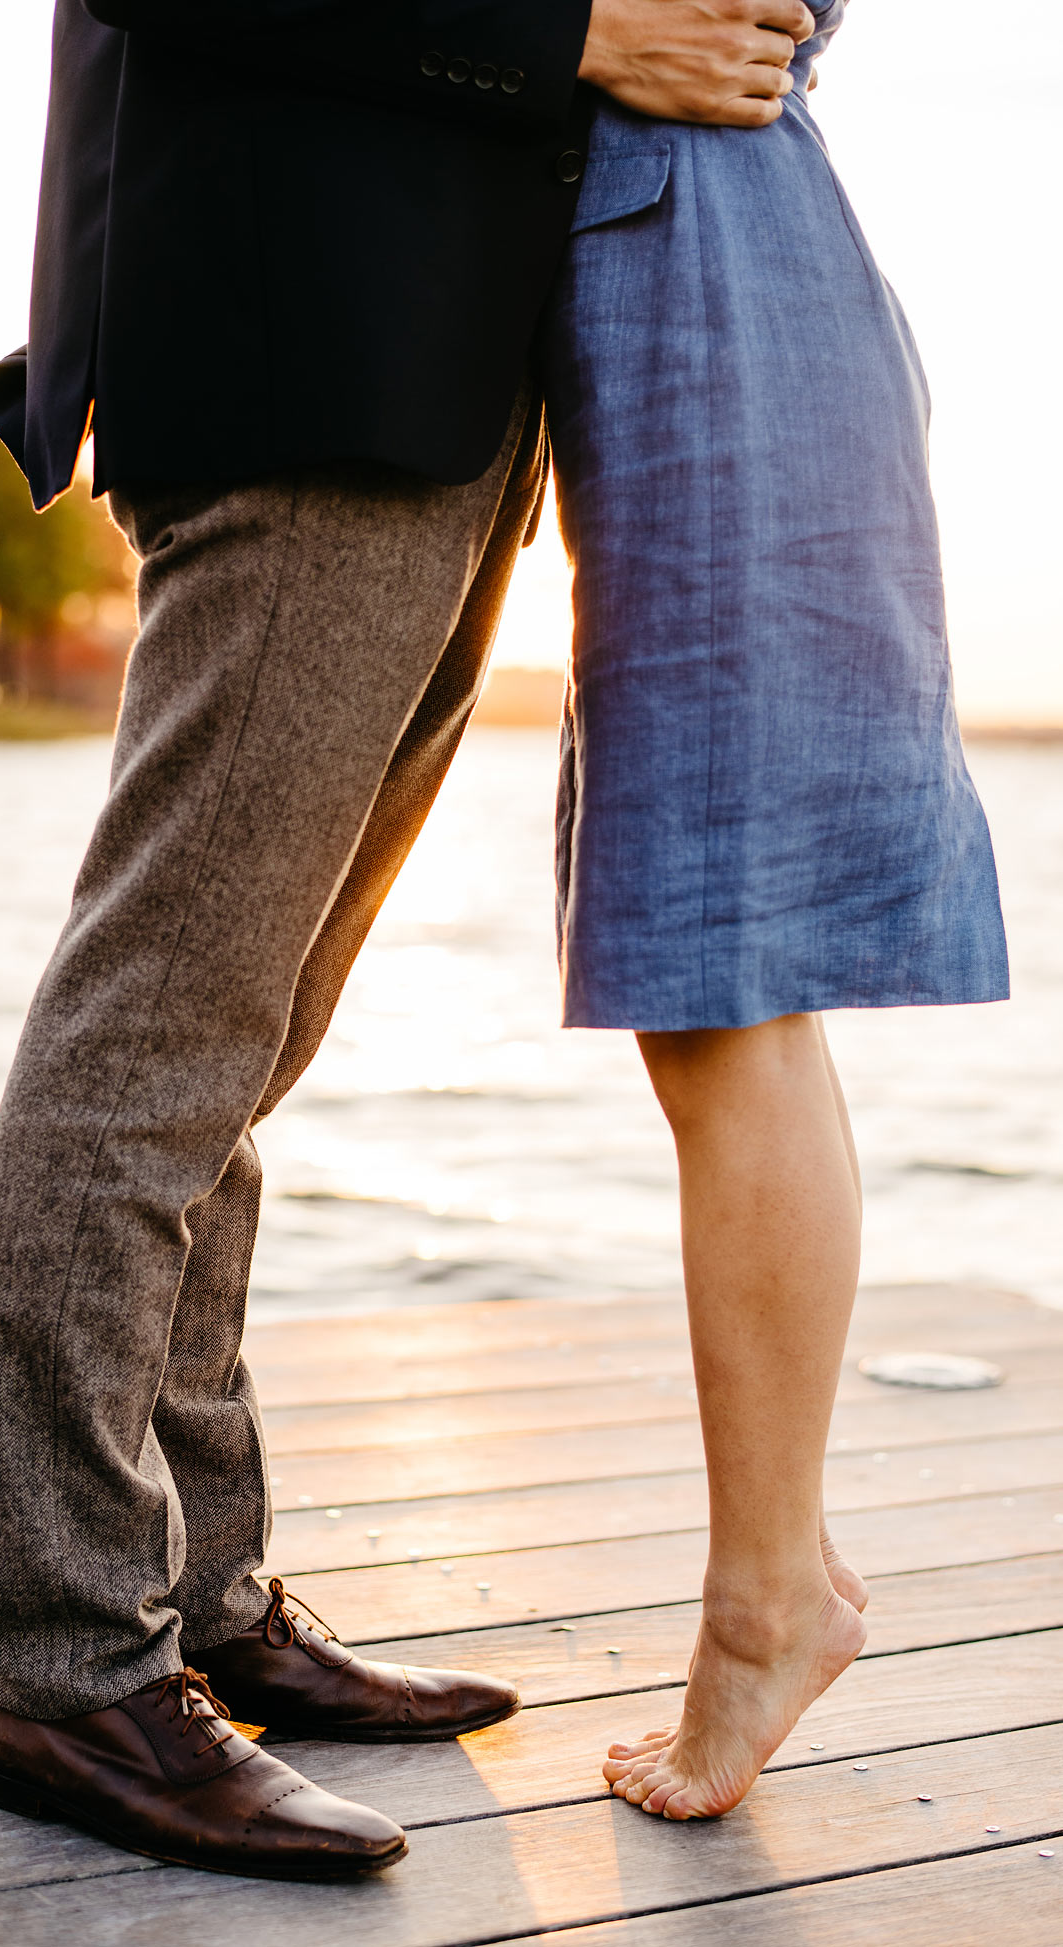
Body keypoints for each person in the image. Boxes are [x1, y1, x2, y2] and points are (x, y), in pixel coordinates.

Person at [0, 0, 821, 1882]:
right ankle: (65, 1659)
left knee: (237, 1050)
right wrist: (577, 33)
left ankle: (194, 1599)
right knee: (159, 1038)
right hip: (302, 353)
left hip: (436, 386)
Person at [536, 0, 1009, 1821]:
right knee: (710, 985)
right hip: (685, 280)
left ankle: (767, 1605)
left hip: (711, 282)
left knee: (727, 982)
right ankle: (775, 1586)